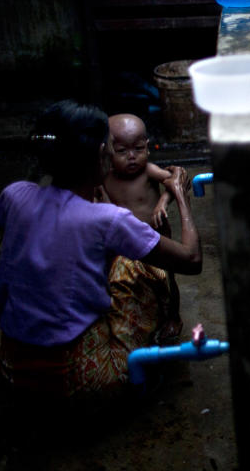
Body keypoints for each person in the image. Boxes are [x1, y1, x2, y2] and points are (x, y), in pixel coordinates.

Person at [0, 101, 202, 400]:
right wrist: (181, 196)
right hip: (78, 380)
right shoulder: (108, 220)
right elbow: (192, 259)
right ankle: (132, 379)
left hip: (11, 366)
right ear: (101, 157)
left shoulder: (13, 195)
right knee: (141, 265)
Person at [99, 113, 184, 343]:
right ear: (107, 151)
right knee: (124, 279)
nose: (132, 157)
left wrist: (162, 202)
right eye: (122, 151)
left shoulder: (148, 171)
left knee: (167, 281)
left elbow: (174, 184)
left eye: (138, 149)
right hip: (125, 242)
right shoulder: (105, 177)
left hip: (156, 238)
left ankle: (173, 317)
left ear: (147, 147)